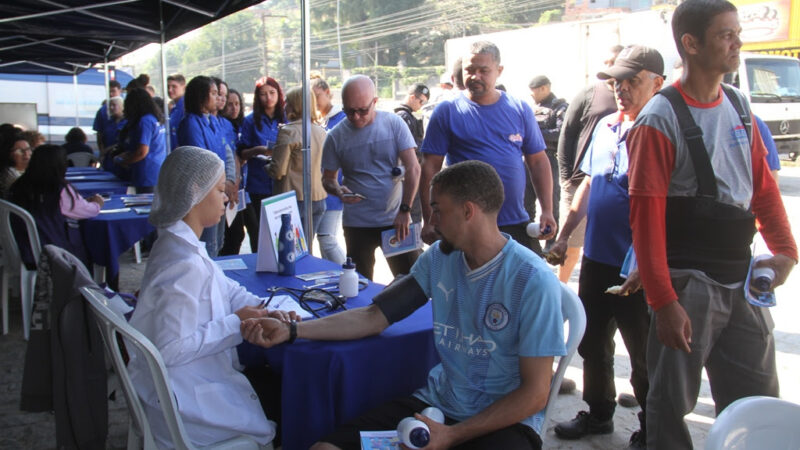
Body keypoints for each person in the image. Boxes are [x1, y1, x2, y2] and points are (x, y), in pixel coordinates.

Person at [243, 160, 565, 450]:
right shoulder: (440, 258)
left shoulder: (532, 280)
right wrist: (293, 330)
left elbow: (536, 392)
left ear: (468, 211)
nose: (432, 221)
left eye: (438, 209)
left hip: (503, 423)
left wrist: (452, 436)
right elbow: (374, 316)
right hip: (438, 406)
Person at [625, 1, 797, 448]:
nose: (738, 42)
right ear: (691, 43)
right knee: (670, 405)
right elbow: (646, 222)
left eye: (738, 32)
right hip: (688, 287)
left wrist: (785, 251)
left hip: (742, 280)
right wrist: (663, 302)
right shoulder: (659, 120)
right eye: (726, 35)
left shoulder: (739, 105)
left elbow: (762, 190)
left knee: (755, 401)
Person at [127, 146, 297, 449]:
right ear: (196, 191)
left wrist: (264, 308)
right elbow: (169, 348)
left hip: (189, 383)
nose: (227, 198)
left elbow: (226, 289)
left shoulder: (181, 244)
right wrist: (236, 323)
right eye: (220, 190)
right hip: (187, 399)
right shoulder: (182, 264)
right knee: (297, 399)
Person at [550, 45, 665, 450]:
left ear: (658, 83)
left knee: (644, 353)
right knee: (592, 341)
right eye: (617, 82)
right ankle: (598, 414)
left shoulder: (661, 132)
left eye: (632, 81)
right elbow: (590, 183)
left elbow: (670, 205)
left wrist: (646, 260)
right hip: (598, 257)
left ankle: (654, 427)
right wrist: (565, 234)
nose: (622, 89)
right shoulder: (607, 126)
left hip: (639, 264)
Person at [420, 41, 555, 256]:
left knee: (522, 283)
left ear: (499, 71)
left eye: (484, 70)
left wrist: (547, 210)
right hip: (465, 225)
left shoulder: (520, 109)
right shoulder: (447, 111)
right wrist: (429, 220)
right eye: (470, 70)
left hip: (514, 222)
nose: (476, 76)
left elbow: (538, 161)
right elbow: (429, 168)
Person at [321, 75, 420, 280]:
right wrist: (338, 190)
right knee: (359, 283)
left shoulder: (394, 124)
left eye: (362, 111)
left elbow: (413, 168)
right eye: (349, 111)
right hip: (357, 224)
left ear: (375, 102)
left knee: (411, 281)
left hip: (394, 219)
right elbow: (328, 178)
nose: (356, 117)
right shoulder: (335, 136)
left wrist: (405, 209)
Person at [554, 44, 623, 283]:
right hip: (579, 183)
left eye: (615, 61)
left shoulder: (645, 110)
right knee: (571, 246)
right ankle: (560, 291)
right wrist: (566, 176)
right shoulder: (590, 96)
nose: (611, 68)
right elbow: (568, 134)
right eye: (607, 63)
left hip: (613, 192)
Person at [9, 144, 103, 269]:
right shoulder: (58, 189)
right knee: (93, 246)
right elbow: (85, 211)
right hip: (53, 251)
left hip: (22, 247)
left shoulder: (19, 185)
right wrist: (97, 203)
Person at [178, 75, 236, 257]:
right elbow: (201, 161)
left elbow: (226, 153)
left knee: (218, 242)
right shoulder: (191, 123)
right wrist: (222, 184)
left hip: (218, 191)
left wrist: (231, 181)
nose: (217, 98)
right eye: (212, 93)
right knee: (207, 245)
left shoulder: (214, 122)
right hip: (204, 193)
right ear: (200, 96)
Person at [268, 86, 328, 245]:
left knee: (288, 251)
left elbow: (278, 170)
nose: (284, 105)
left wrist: (267, 165)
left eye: (287, 102)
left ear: (295, 105)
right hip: (318, 198)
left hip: (291, 199)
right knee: (306, 248)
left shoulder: (288, 132)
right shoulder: (321, 132)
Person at [238, 76, 285, 253]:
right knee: (260, 232)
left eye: (272, 93)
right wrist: (257, 150)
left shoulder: (288, 117)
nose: (268, 98)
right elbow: (241, 152)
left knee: (282, 230)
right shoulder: (250, 121)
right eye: (263, 94)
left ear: (279, 94)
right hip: (259, 182)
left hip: (283, 181)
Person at [526, 75, 568, 252]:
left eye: (534, 91)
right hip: (527, 158)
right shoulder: (531, 109)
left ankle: (550, 242)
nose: (532, 96)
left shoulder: (559, 107)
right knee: (526, 201)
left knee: (550, 201)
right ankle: (528, 240)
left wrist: (534, 134)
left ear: (545, 88)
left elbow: (560, 134)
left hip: (548, 158)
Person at [311, 73, 347, 264]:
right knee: (322, 239)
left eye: (316, 96)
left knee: (326, 239)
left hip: (333, 187)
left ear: (328, 93)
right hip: (318, 190)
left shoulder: (342, 120)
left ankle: (352, 276)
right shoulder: (318, 122)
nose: (313, 102)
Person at [116, 88, 167, 194]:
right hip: (157, 171)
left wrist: (123, 162)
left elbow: (142, 152)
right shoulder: (155, 118)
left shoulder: (145, 121)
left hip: (146, 173)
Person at [219, 88, 250, 257]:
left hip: (241, 187)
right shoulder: (222, 125)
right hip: (226, 185)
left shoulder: (240, 125)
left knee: (238, 233)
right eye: (229, 104)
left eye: (237, 104)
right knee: (233, 233)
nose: (233, 108)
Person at [394, 83, 429, 224]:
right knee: (412, 211)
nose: (421, 105)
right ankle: (410, 244)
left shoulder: (408, 116)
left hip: (410, 171)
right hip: (406, 173)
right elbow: (408, 148)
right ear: (413, 97)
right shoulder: (403, 116)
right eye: (421, 101)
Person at [93, 80, 122, 153]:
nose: (111, 94)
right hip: (107, 151)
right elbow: (99, 134)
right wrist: (102, 151)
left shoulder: (128, 108)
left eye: (113, 91)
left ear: (120, 91)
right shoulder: (102, 111)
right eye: (109, 91)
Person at [0, 132, 32, 197]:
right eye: (19, 150)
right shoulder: (9, 174)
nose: (26, 154)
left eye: (28, 149)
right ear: (8, 154)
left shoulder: (29, 169)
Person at [167, 74, 186, 150]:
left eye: (174, 87)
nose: (170, 90)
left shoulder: (185, 107)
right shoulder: (173, 108)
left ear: (183, 86)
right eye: (168, 87)